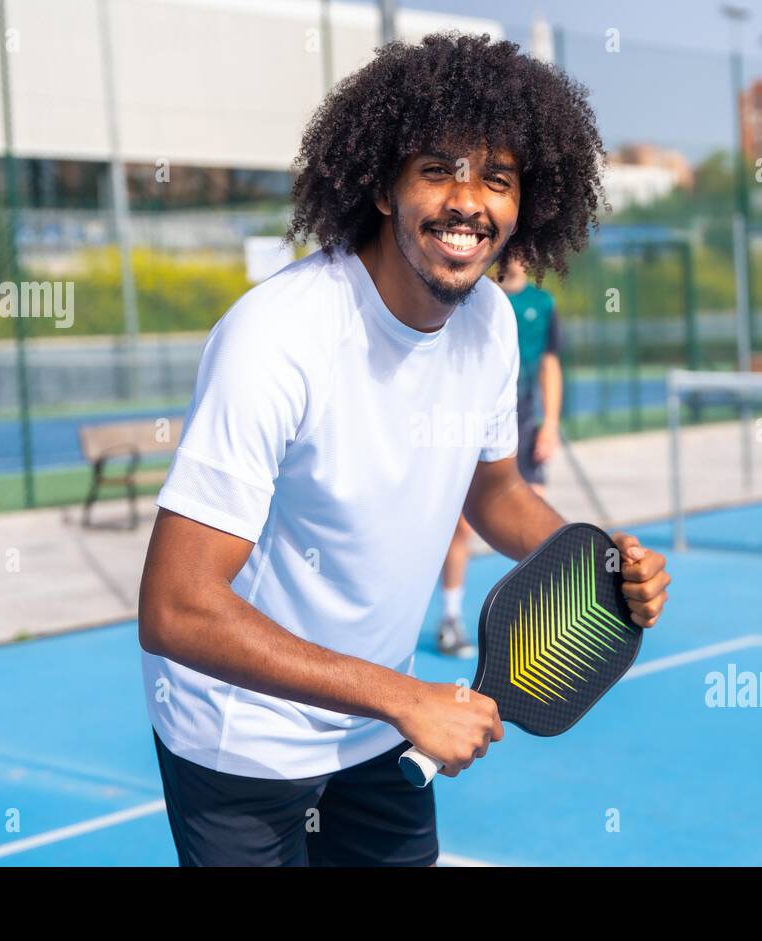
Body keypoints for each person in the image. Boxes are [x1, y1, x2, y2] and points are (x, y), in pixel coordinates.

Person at [137, 33, 670, 868]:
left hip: (379, 724)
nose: (469, 202)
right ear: (384, 188)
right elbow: (175, 606)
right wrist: (404, 697)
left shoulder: (491, 324)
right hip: (243, 737)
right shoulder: (276, 339)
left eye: (497, 178)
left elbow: (493, 489)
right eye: (439, 170)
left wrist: (591, 567)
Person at [437, 257, 563, 658]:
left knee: (532, 519)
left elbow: (549, 364)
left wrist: (550, 423)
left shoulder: (542, 304)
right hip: (472, 420)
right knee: (460, 530)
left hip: (525, 421)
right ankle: (451, 620)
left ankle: (528, 627)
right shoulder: (470, 296)